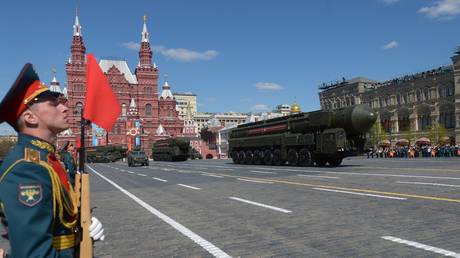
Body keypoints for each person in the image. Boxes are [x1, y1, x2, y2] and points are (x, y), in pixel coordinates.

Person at [0, 63, 104, 257]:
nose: (65, 108)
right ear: (30, 117)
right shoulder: (26, 168)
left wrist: (80, 227)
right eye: (54, 103)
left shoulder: (46, 159)